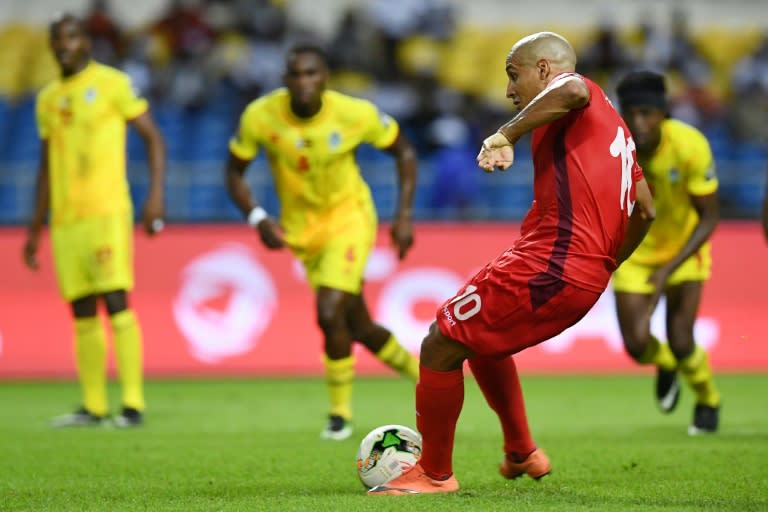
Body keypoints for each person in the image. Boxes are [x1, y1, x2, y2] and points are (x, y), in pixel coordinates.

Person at [368, 31, 655, 496]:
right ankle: (521, 450)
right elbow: (645, 209)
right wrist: (607, 264)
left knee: (441, 342)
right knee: (480, 341)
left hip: (553, 263)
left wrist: (504, 134)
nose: (507, 90)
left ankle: (435, 474)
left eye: (513, 74)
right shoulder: (614, 130)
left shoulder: (577, 90)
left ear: (544, 70)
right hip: (577, 270)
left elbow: (573, 88)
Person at [225, 43, 420, 441]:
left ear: (325, 77)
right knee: (358, 326)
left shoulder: (354, 113)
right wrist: (257, 216)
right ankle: (426, 374)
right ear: (285, 80)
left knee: (329, 310)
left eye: (311, 74)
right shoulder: (260, 116)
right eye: (296, 75)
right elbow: (233, 172)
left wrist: (403, 216)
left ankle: (339, 416)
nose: (304, 83)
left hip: (349, 219)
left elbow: (404, 152)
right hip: (302, 232)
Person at [23, 13, 166, 428]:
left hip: (106, 211)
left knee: (116, 301)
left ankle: (133, 404)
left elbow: (153, 137)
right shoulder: (48, 97)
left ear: (85, 41)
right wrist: (35, 228)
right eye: (57, 40)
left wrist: (155, 197)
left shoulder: (113, 84)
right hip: (66, 219)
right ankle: (94, 405)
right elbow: (46, 165)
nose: (63, 46)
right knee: (81, 309)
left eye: (70, 37)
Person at [612, 70, 722, 435]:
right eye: (632, 113)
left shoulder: (690, 145)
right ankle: (665, 364)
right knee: (636, 344)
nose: (639, 122)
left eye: (648, 113)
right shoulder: (615, 149)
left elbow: (709, 217)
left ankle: (708, 400)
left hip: (684, 250)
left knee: (681, 338)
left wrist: (669, 268)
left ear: (664, 113)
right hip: (636, 253)